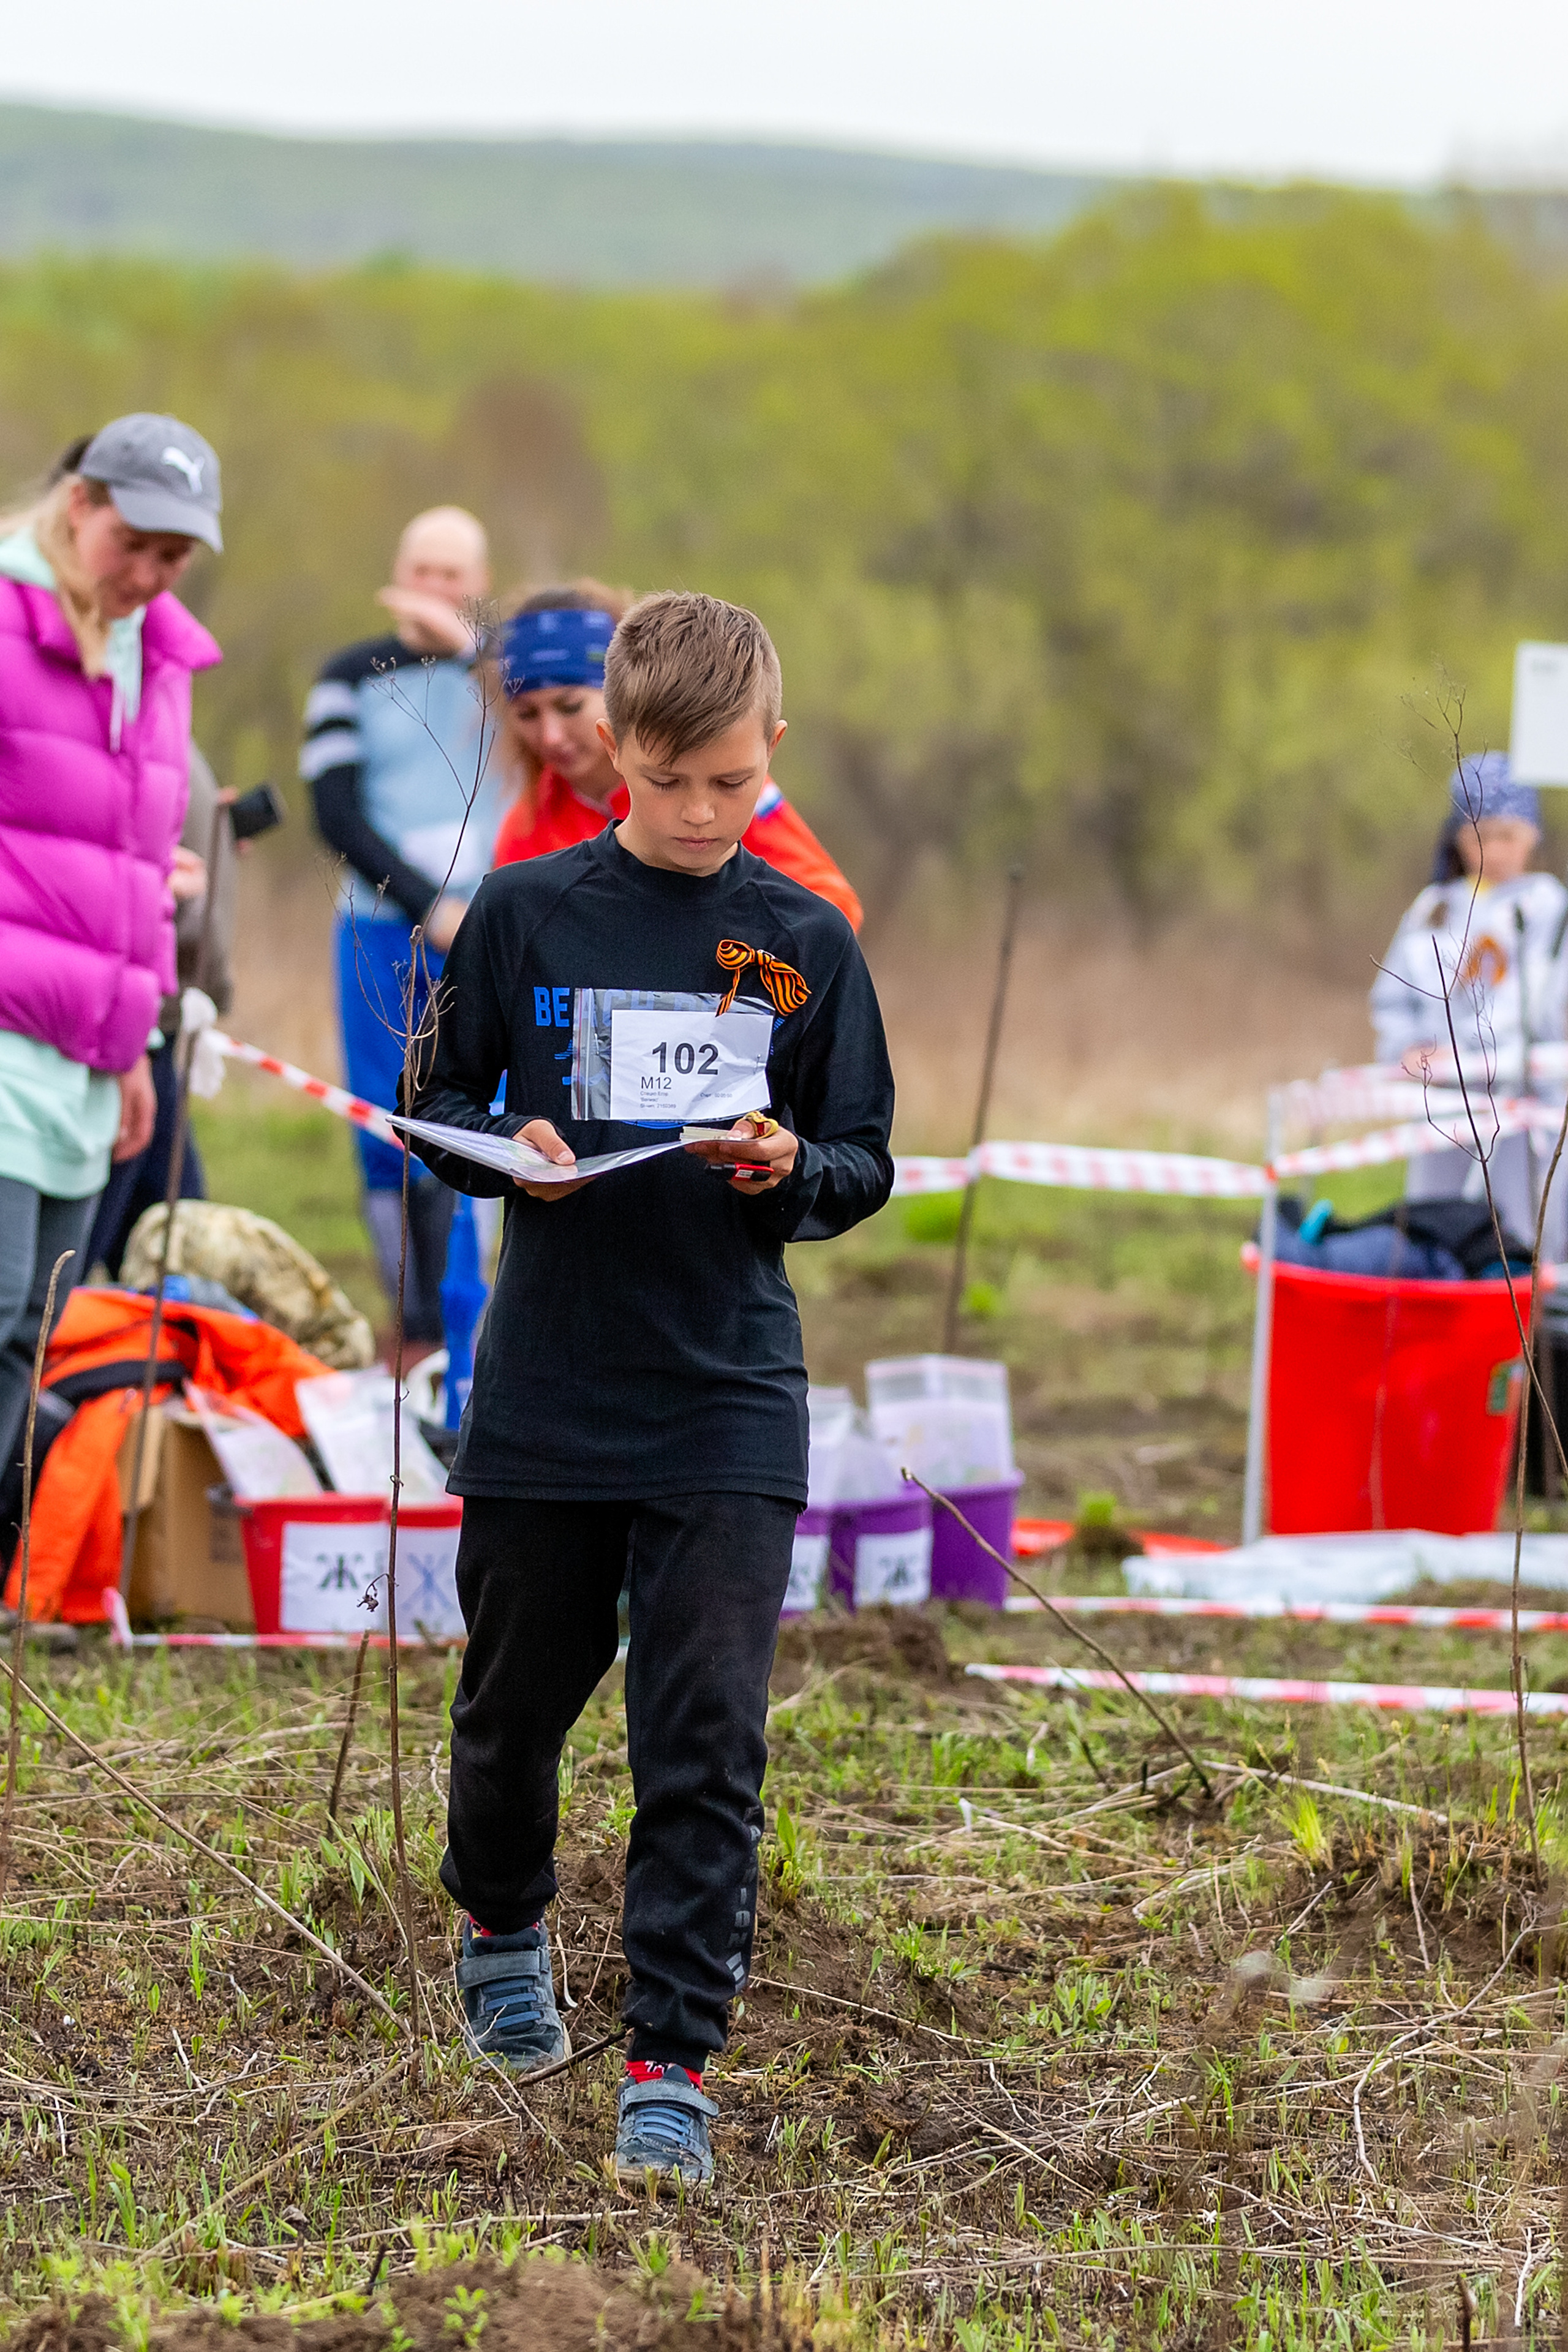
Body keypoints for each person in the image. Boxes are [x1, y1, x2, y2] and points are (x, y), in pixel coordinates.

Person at [405, 592, 894, 2188]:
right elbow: (435, 1103)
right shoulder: (531, 915)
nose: (699, 816)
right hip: (549, 1388)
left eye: (731, 786)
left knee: (706, 1735)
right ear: (612, 750)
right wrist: (511, 1150)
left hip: (726, 1395)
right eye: (670, 781)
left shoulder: (806, 941)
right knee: (514, 1712)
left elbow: (862, 1160)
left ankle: (670, 2065)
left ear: (773, 758)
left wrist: (786, 1168)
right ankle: (501, 1928)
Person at [0, 413, 222, 1513]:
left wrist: (135, 1047)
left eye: (173, 558)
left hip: (88, 1052)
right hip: (3, 1032)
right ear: (80, 503)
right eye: (133, 542)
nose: (148, 574)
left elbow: (138, 869)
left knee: (30, 1333)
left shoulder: (160, 656)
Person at [303, 507, 510, 1357]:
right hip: (381, 933)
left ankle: (482, 1322)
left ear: (480, 587)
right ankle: (415, 1326)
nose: (431, 589)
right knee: (386, 1127)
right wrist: (428, 904)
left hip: (487, 935)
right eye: (419, 570)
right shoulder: (347, 675)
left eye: (451, 575)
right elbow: (335, 811)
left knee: (478, 1127)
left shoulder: (505, 675)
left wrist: (465, 648)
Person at [491, 581, 864, 928]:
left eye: (570, 706)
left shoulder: (722, 784)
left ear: (618, 700)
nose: (551, 737)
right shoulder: (524, 829)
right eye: (527, 714)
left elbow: (832, 905)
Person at [1370, 751, 1568, 1262]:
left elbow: (1553, 1004)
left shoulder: (1547, 908)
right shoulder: (1434, 910)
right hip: (1444, 1099)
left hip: (1522, 1098)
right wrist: (1405, 1046)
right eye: (1482, 834)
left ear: (1532, 838)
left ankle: (1525, 1331)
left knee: (1521, 1227)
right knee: (1433, 1218)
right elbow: (1395, 997)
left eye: (1508, 835)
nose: (1495, 848)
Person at [86, 744, 239, 1277]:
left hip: (158, 1011)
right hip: (134, 1014)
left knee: (169, 1241)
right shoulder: (135, 730)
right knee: (135, 1232)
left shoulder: (168, 730)